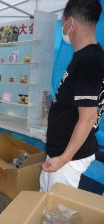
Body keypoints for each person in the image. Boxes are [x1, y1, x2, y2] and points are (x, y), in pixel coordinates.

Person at [40, 0, 104, 192]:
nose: (62, 25)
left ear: (71, 23)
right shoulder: (84, 57)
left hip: (69, 160)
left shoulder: (89, 60)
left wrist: (63, 158)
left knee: (60, 214)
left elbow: (89, 117)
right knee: (45, 205)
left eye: (63, 20)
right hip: (60, 154)